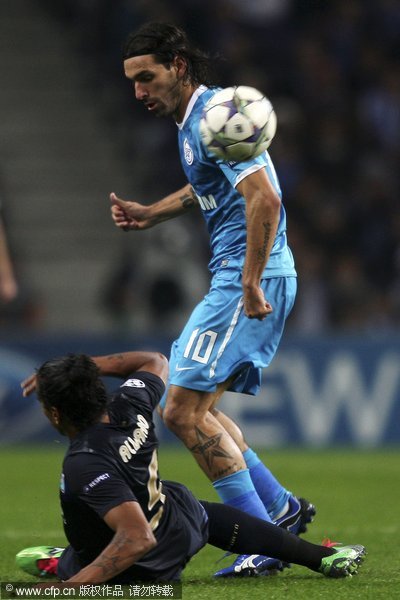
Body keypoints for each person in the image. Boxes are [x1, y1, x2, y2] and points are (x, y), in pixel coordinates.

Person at [109, 22, 313, 576]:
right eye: (131, 82)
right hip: (247, 274)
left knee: (179, 410)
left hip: (247, 275)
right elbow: (212, 187)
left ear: (177, 64)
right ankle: (281, 511)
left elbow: (264, 198)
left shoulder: (212, 117)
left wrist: (248, 280)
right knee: (201, 408)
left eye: (146, 78)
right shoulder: (196, 121)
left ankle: (261, 541)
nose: (139, 92)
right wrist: (153, 212)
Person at [17, 349, 365, 583]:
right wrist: (84, 366)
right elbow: (154, 361)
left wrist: (74, 587)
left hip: (139, 572)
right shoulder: (130, 403)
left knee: (51, 559)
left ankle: (66, 564)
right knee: (194, 507)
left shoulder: (84, 462)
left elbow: (137, 539)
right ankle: (322, 558)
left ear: (55, 413)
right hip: (176, 529)